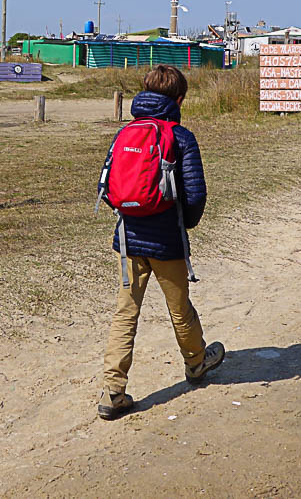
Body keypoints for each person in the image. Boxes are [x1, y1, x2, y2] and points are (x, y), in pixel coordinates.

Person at [96, 64, 224, 420]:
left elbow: (108, 189)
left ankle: (112, 391)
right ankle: (197, 363)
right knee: (180, 308)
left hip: (128, 239)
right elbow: (195, 195)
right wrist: (185, 225)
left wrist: (133, 212)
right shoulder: (180, 136)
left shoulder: (126, 132)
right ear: (179, 98)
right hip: (167, 240)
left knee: (126, 312)